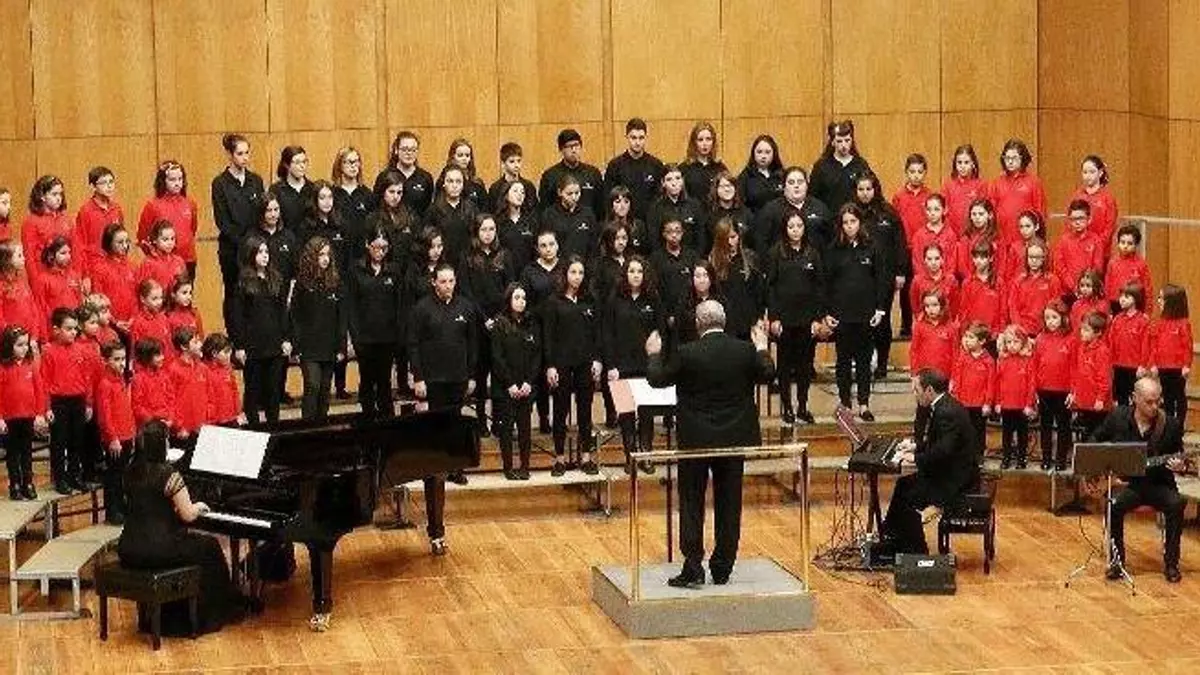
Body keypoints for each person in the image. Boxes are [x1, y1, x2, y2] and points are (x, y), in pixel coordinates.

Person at [647, 300, 774, 587]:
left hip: (696, 438)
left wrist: (654, 354)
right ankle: (723, 566)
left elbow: (657, 379)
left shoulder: (686, 353)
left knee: (691, 501)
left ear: (698, 324)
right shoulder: (744, 351)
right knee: (730, 501)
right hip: (733, 438)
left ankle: (693, 566)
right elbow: (767, 373)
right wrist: (762, 347)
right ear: (724, 322)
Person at [117, 420, 246, 636]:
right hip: (160, 548)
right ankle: (214, 612)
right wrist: (199, 506)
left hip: (129, 547)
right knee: (209, 547)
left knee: (199, 545)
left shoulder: (130, 472)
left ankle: (171, 610)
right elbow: (188, 515)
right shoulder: (169, 474)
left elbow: (145, 504)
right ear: (161, 445)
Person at [1091, 377, 1190, 583]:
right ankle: (1117, 562)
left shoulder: (1170, 424)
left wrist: (1181, 466)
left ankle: (1171, 564)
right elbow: (1095, 440)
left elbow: (1181, 456)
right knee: (1114, 506)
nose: (1154, 407)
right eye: (1149, 402)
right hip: (1126, 484)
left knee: (1176, 503)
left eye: (1157, 401)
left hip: (1158, 483)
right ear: (1134, 398)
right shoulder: (1118, 417)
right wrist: (1101, 470)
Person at [408, 263, 477, 537]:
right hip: (433, 381)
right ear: (434, 282)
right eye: (443, 281)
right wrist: (419, 377)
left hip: (457, 379)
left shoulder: (466, 308)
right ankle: (434, 472)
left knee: (455, 426)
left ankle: (454, 468)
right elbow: (413, 344)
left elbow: (473, 344)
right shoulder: (422, 309)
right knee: (434, 432)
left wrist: (471, 375)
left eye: (451, 281)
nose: (448, 285)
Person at [883, 368, 982, 555]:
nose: (915, 395)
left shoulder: (946, 412)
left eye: (916, 390)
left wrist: (915, 458)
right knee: (904, 484)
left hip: (956, 482)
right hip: (951, 472)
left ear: (929, 390)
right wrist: (916, 447)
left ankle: (916, 551)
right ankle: (892, 536)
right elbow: (940, 443)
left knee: (909, 496)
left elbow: (943, 451)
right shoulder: (944, 405)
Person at [211, 134, 266, 331]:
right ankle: (235, 336)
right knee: (234, 293)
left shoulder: (255, 181)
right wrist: (243, 244)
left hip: (254, 248)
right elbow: (222, 220)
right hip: (232, 249)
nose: (245, 158)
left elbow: (261, 214)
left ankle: (255, 332)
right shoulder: (220, 183)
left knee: (256, 291)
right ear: (230, 155)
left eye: (247, 153)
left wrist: (255, 244)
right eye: (240, 153)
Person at [604, 118, 665, 220]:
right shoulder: (615, 165)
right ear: (627, 137)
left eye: (641, 138)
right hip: (623, 222)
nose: (637, 142)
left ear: (646, 137)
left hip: (650, 221)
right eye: (633, 138)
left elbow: (660, 198)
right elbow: (608, 199)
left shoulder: (656, 165)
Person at [538, 128, 605, 218]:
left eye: (576, 145)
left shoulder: (593, 173)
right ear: (561, 150)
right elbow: (545, 209)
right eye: (569, 146)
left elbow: (601, 207)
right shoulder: (550, 176)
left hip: (588, 223)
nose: (574, 150)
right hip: (560, 223)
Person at [809, 120, 871, 214]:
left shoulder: (860, 164)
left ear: (852, 141)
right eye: (839, 141)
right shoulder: (821, 166)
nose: (843, 145)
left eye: (847, 140)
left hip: (855, 218)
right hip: (829, 218)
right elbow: (813, 196)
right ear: (832, 142)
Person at [374, 131, 436, 217]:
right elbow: (376, 206)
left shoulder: (425, 178)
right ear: (396, 150)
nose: (409, 153)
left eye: (413, 150)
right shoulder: (384, 176)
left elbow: (428, 209)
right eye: (405, 149)